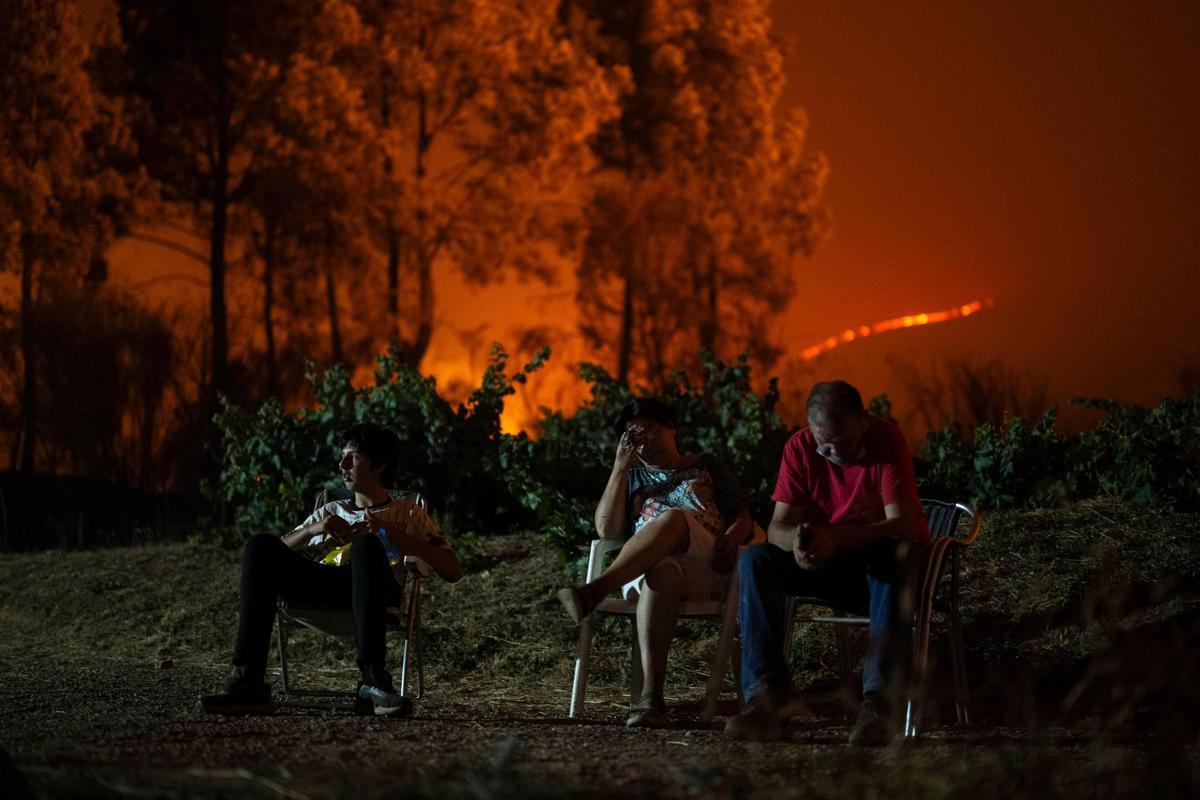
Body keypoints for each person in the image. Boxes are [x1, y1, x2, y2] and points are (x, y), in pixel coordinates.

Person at [200, 423, 463, 717]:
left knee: (365, 546)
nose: (342, 465)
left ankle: (373, 682)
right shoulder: (332, 510)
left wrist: (398, 536)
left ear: (379, 465)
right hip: (327, 588)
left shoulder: (408, 512)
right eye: (342, 457)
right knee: (260, 545)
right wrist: (313, 528)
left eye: (353, 457)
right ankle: (247, 682)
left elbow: (452, 569)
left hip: (376, 592)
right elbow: (275, 554)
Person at [724, 381, 928, 745]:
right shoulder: (800, 449)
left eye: (844, 443)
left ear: (863, 421)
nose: (833, 453)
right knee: (757, 560)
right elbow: (777, 528)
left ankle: (880, 703)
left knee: (895, 554)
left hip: (878, 574)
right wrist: (801, 544)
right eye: (824, 444)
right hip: (823, 565)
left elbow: (904, 524)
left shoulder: (887, 441)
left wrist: (837, 537)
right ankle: (766, 698)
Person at [557, 397, 754, 727]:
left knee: (673, 518)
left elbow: (744, 517)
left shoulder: (705, 465)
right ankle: (651, 700)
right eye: (634, 436)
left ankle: (597, 589)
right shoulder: (632, 478)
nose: (643, 441)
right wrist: (620, 466)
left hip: (706, 559)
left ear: (671, 428)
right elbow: (606, 528)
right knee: (661, 573)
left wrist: (731, 540)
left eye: (649, 430)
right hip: (649, 568)